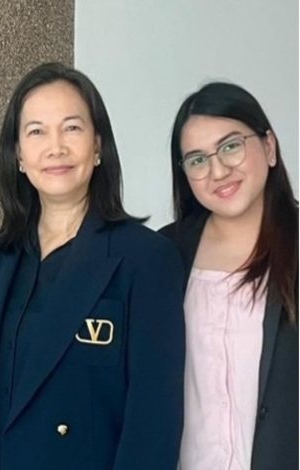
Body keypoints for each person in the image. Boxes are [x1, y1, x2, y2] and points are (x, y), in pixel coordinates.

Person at [0, 62, 185, 469]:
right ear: (18, 155)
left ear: (98, 147)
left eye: (72, 128)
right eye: (36, 131)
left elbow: (153, 425)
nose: (55, 147)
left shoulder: (146, 259)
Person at [160, 82, 298, 469]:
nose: (218, 170)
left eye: (231, 146)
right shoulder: (164, 254)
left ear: (269, 147)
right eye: (197, 160)